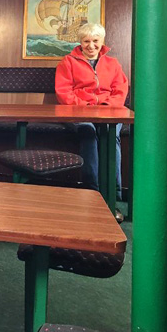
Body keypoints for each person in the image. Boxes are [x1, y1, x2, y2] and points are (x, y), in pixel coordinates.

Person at [55, 23, 128, 221]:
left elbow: (120, 91)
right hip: (77, 112)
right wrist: (86, 106)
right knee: (88, 132)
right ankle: (92, 193)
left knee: (110, 136)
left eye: (95, 41)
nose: (91, 45)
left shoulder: (113, 63)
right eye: (86, 41)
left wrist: (105, 105)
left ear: (102, 41)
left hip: (109, 112)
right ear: (80, 42)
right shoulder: (68, 62)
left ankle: (112, 196)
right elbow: (64, 93)